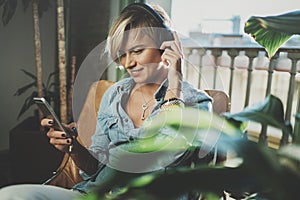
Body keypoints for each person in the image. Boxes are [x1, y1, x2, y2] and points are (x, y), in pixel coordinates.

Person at [0, 2, 212, 199]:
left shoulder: (197, 103)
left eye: (138, 51)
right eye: (122, 54)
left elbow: (168, 155)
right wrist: (73, 147)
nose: (128, 63)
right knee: (11, 195)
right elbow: (95, 169)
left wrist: (174, 85)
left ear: (166, 46)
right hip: (95, 194)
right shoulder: (114, 96)